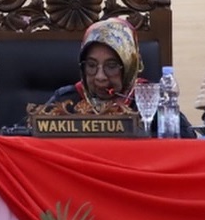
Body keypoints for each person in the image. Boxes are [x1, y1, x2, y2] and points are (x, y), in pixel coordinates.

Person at [47, 16, 195, 137]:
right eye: (91, 65)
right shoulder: (66, 100)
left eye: (111, 66)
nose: (100, 77)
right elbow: (33, 138)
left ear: (129, 66)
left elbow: (187, 140)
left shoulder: (149, 101)